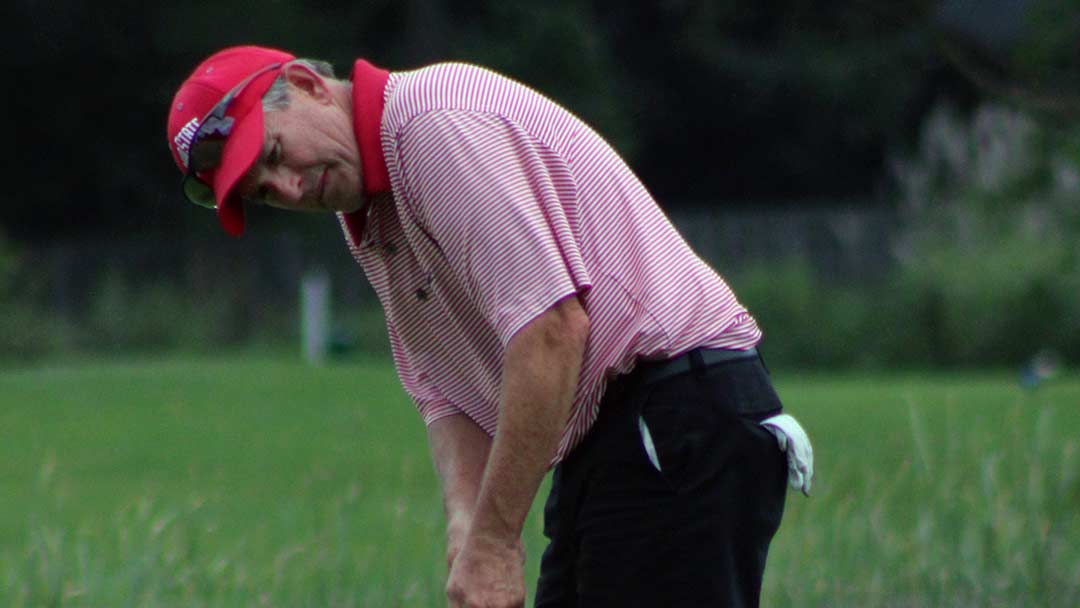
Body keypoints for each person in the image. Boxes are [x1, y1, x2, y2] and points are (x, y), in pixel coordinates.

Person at [166, 45, 813, 608]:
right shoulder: (366, 209)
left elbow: (551, 332)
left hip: (677, 415)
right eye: (262, 191)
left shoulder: (432, 128)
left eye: (274, 153)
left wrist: (498, 543)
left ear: (307, 86)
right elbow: (443, 389)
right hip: (611, 439)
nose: (289, 185)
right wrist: (467, 527)